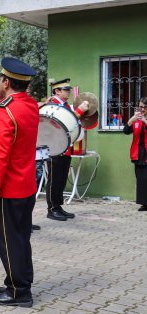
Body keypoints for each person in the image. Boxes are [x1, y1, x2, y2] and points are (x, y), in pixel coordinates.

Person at [0, 58, 40, 308]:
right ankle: (20, 281)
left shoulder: (4, 111)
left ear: (5, 82)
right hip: (26, 184)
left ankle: (18, 291)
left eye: (1, 80)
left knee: (8, 240)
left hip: (7, 187)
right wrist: (3, 99)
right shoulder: (30, 104)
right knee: (21, 237)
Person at [44, 79, 89, 221]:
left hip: (66, 147)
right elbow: (64, 123)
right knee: (54, 180)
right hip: (54, 147)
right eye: (65, 90)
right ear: (57, 91)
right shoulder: (53, 105)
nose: (69, 92)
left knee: (62, 179)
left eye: (69, 90)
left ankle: (58, 206)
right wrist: (79, 111)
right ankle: (52, 209)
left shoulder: (65, 106)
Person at [123, 97, 147, 211]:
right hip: (138, 153)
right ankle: (144, 203)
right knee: (141, 179)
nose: (142, 109)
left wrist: (145, 121)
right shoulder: (136, 119)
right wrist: (131, 120)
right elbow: (126, 131)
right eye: (140, 107)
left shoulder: (144, 120)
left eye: (145, 107)